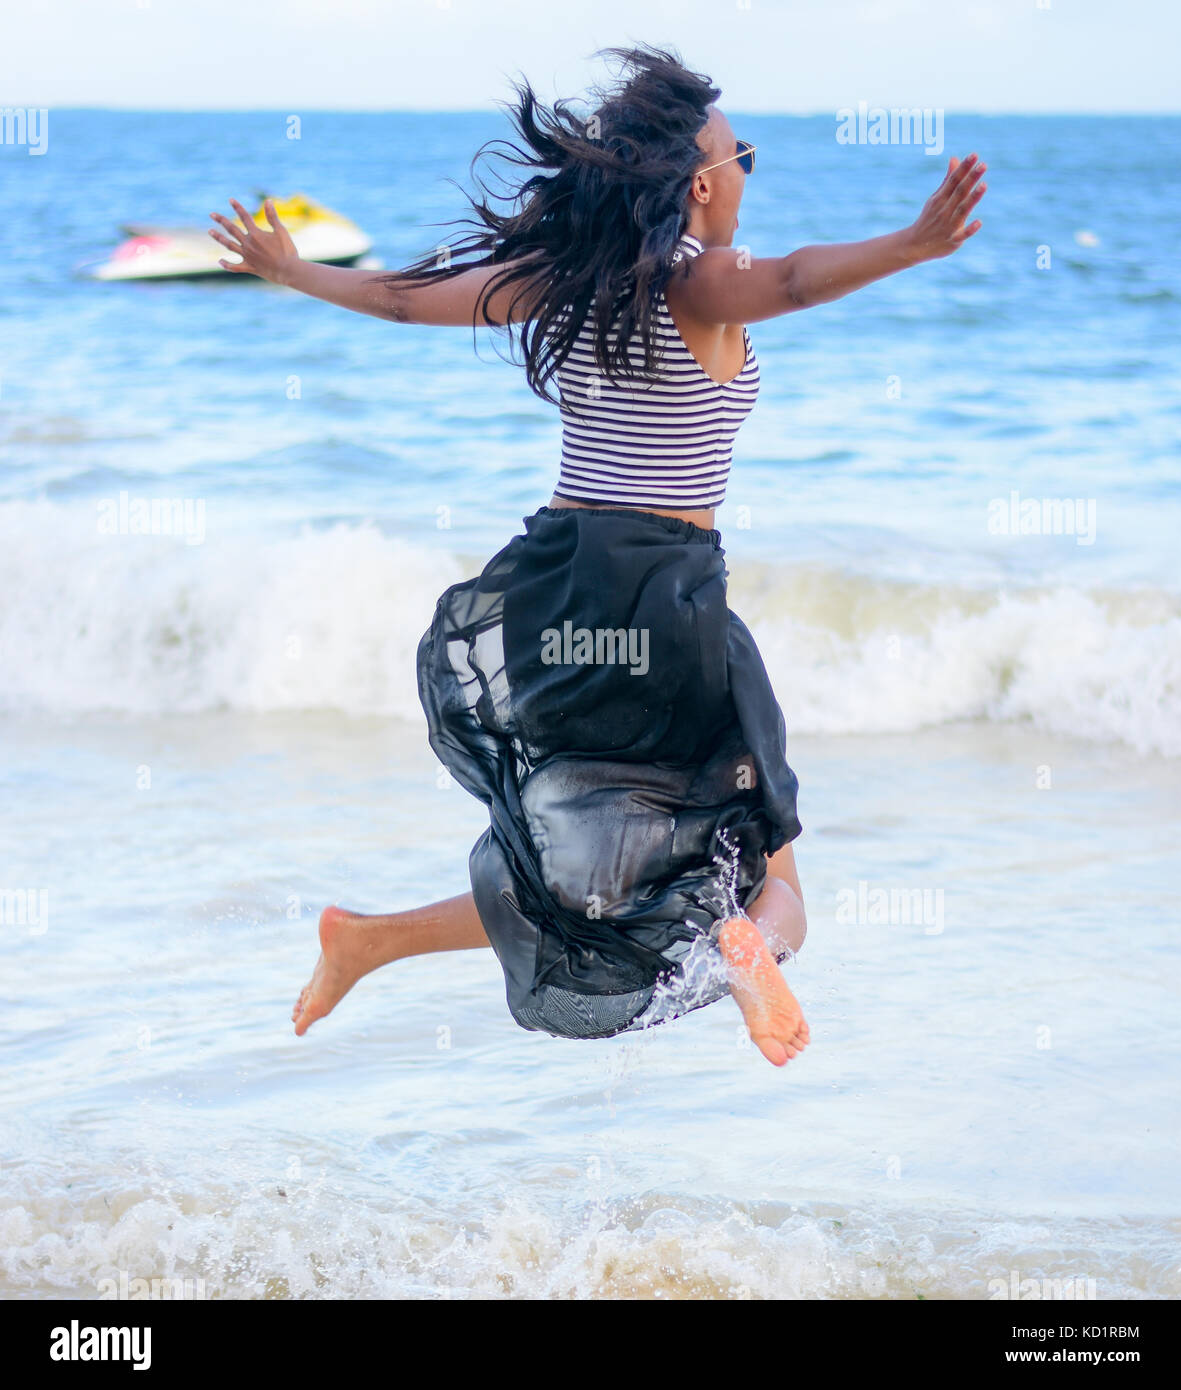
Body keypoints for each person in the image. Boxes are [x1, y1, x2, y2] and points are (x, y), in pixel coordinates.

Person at [209, 45, 985, 1067]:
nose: (748, 171)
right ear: (702, 183)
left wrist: (292, 269)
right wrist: (911, 244)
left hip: (553, 593)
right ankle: (752, 944)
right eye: (740, 153)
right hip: (662, 591)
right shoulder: (702, 286)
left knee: (579, 869)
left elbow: (404, 301)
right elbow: (793, 279)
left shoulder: (560, 283)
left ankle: (368, 939)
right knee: (770, 869)